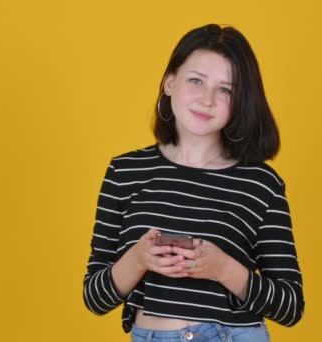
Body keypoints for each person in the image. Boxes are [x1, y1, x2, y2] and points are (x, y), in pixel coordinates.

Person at [83, 23, 304, 342]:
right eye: (196, 80)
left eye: (225, 89)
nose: (207, 99)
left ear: (240, 100)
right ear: (170, 82)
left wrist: (222, 268)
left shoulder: (261, 184)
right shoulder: (125, 171)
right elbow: (95, 298)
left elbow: (290, 306)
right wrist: (139, 258)